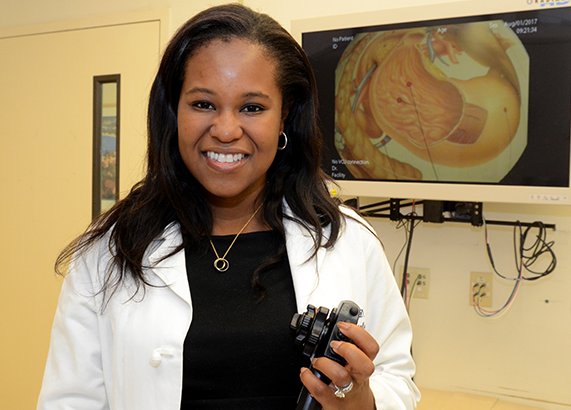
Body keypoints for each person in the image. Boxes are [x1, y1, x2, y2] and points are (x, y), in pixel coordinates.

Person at [37, 4, 419, 410]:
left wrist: (361, 401)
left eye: (252, 108)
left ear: (285, 117)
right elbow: (71, 400)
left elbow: (399, 381)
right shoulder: (109, 252)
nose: (225, 130)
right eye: (203, 104)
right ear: (173, 112)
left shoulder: (348, 242)